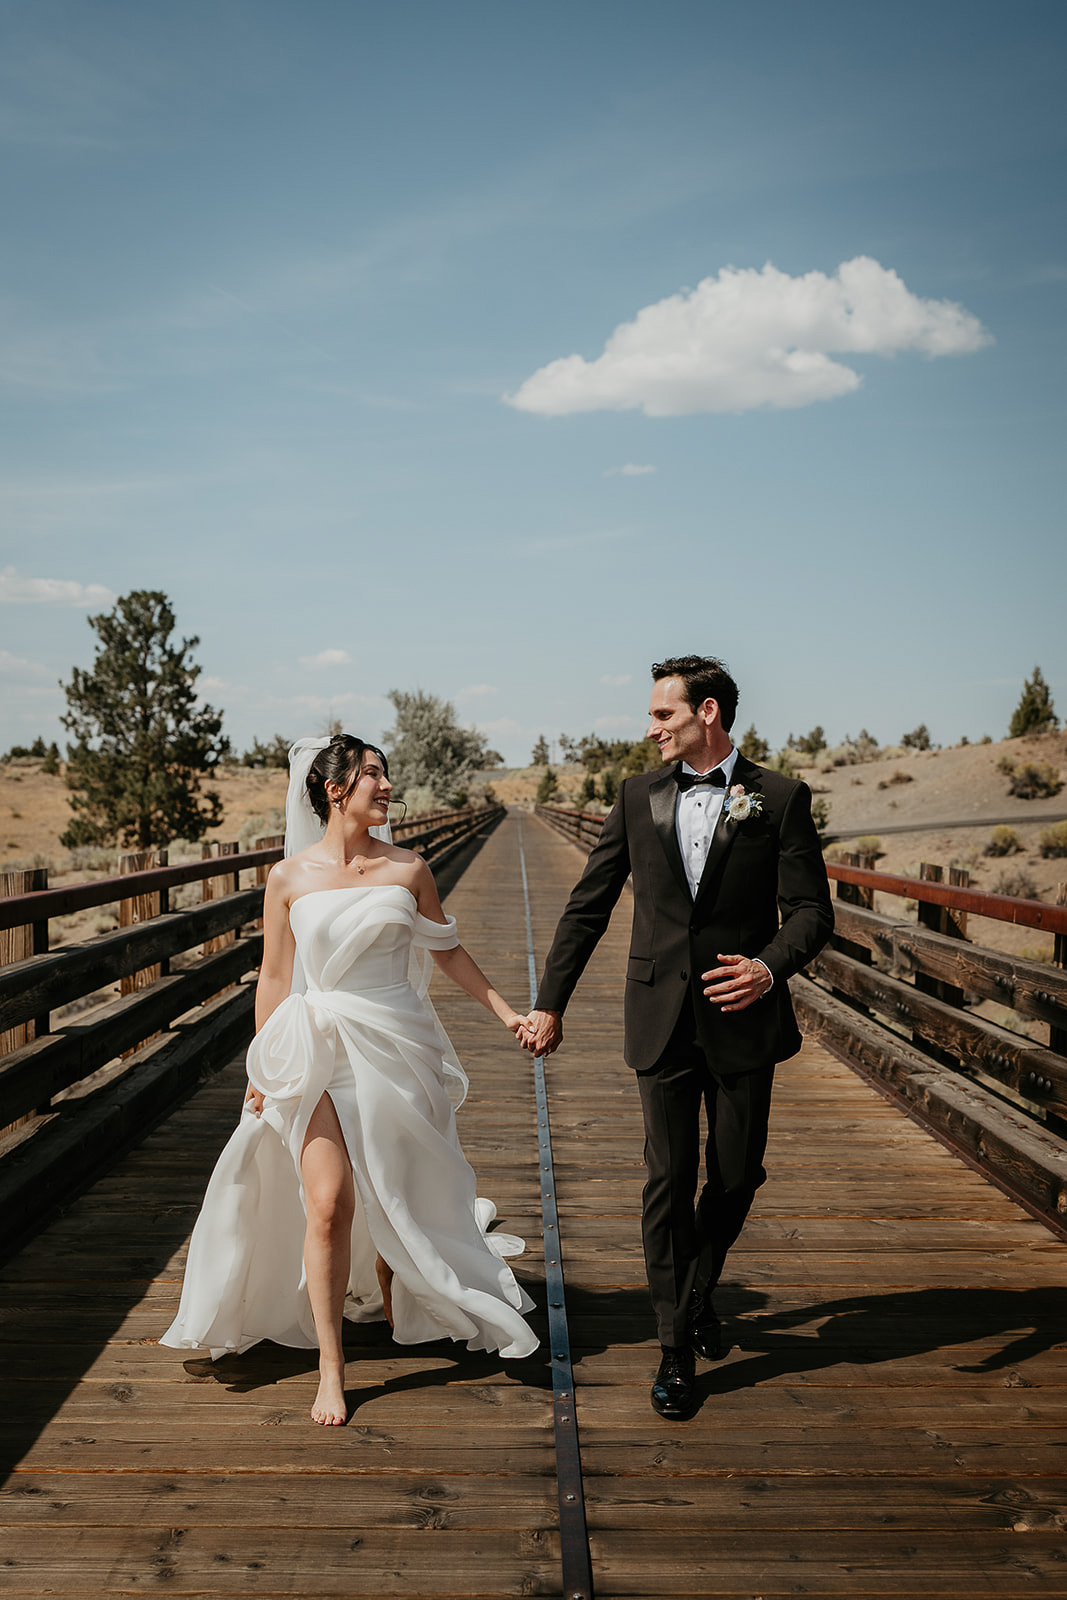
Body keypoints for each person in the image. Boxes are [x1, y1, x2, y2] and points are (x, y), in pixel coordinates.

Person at [162, 734, 538, 1426]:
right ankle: (330, 1368)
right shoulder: (288, 878)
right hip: (314, 1048)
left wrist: (508, 1012)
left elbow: (447, 951)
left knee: (394, 1188)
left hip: (397, 1046)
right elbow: (275, 977)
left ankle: (397, 1286)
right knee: (330, 1201)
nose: (387, 786)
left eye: (386, 775)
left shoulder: (409, 869)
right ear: (333, 789)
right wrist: (262, 1064)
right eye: (373, 775)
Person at [523, 656, 832, 1420]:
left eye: (664, 714)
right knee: (666, 1181)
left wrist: (768, 967)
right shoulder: (634, 797)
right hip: (657, 1016)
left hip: (742, 1018)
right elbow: (587, 905)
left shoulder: (780, 799)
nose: (651, 727)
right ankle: (673, 1347)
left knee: (734, 1176)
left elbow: (810, 913)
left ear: (710, 713)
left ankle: (698, 1292)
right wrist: (550, 1002)